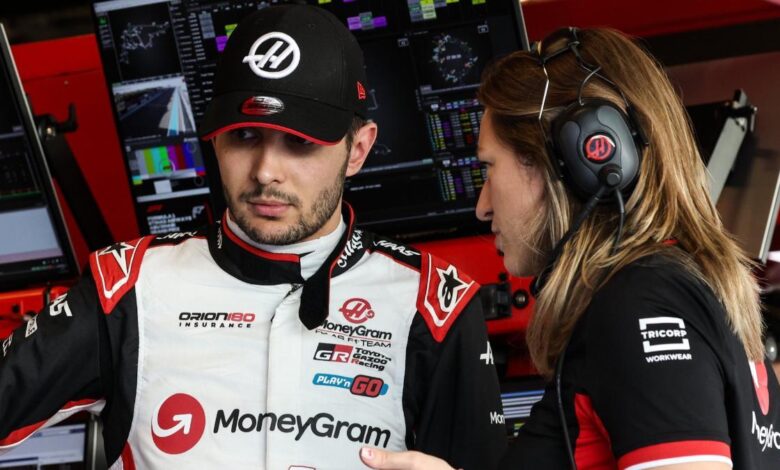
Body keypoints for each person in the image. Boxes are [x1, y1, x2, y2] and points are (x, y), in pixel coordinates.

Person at [0, 5, 507, 469]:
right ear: (214, 138)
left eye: (299, 143)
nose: (266, 172)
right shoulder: (129, 286)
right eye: (245, 137)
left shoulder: (433, 304)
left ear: (358, 150)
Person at [361, 27, 780, 470]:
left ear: (580, 163)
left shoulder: (642, 302)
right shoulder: (678, 289)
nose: (483, 207)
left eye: (489, 168)